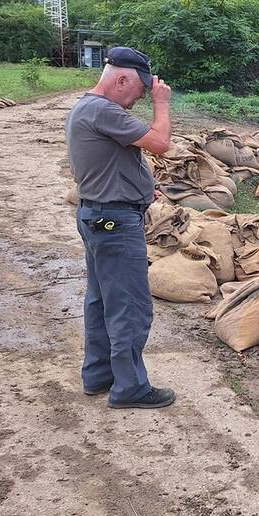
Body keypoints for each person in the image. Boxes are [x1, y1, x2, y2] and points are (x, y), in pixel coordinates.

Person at [64, 47, 175, 409]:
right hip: (114, 224)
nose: (137, 99)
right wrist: (162, 103)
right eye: (139, 92)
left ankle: (98, 375)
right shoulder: (104, 110)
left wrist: (142, 187)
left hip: (99, 216)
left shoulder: (86, 108)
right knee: (129, 306)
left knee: (101, 301)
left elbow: (111, 163)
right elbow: (160, 144)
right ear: (122, 79)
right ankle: (130, 388)